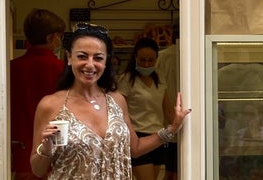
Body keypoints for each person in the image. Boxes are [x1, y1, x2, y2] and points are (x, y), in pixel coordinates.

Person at [29, 22, 191, 179]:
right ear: (69, 58)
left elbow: (135, 148)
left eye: (98, 58)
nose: (90, 64)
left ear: (106, 61)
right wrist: (47, 147)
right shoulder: (50, 105)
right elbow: (37, 170)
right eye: (82, 56)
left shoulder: (117, 100)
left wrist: (172, 128)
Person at [10, 8, 66, 180]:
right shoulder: (62, 69)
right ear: (51, 37)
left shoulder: (11, 68)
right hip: (54, 153)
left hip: (20, 151)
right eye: (59, 36)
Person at [117, 37, 173, 180]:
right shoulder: (126, 79)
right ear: (135, 58)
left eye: (150, 60)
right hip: (137, 136)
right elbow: (119, 111)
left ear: (156, 59)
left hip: (158, 136)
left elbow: (167, 110)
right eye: (142, 60)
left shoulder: (160, 79)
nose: (146, 64)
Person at [155, 22, 180, 180]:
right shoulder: (198, 53)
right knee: (175, 170)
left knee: (171, 170)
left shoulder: (163, 57)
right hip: (173, 122)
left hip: (168, 121)